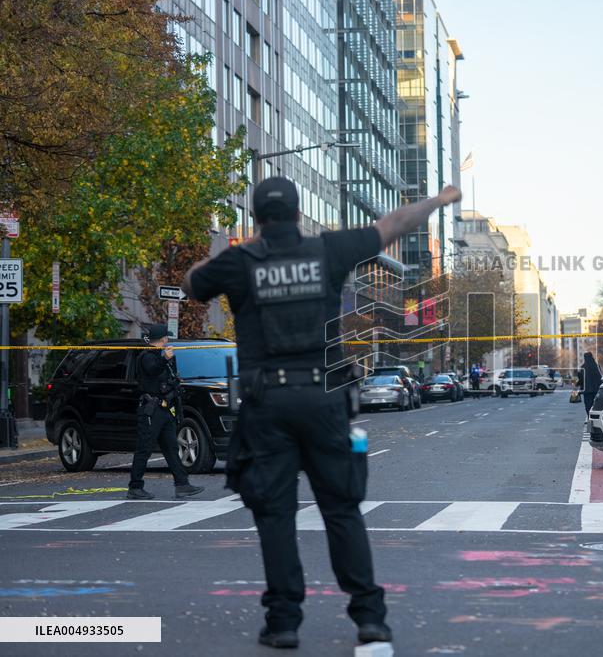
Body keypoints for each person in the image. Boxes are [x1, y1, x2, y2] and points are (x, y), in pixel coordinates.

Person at [182, 176, 461, 650]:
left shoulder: (240, 261)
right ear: (296, 214)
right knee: (341, 509)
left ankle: (284, 622)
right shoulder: (328, 251)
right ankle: (370, 618)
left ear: (257, 216)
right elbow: (392, 224)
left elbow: (192, 285)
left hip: (267, 404)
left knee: (275, 515)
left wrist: (238, 251)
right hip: (324, 398)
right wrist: (438, 200)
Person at [127, 323, 205, 500]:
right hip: (151, 410)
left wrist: (171, 363)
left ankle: (182, 484)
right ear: (163, 339)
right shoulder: (146, 357)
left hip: (164, 410)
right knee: (144, 449)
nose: (168, 340)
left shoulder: (162, 357)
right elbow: (153, 370)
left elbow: (169, 380)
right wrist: (165, 359)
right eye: (166, 338)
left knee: (171, 448)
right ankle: (135, 487)